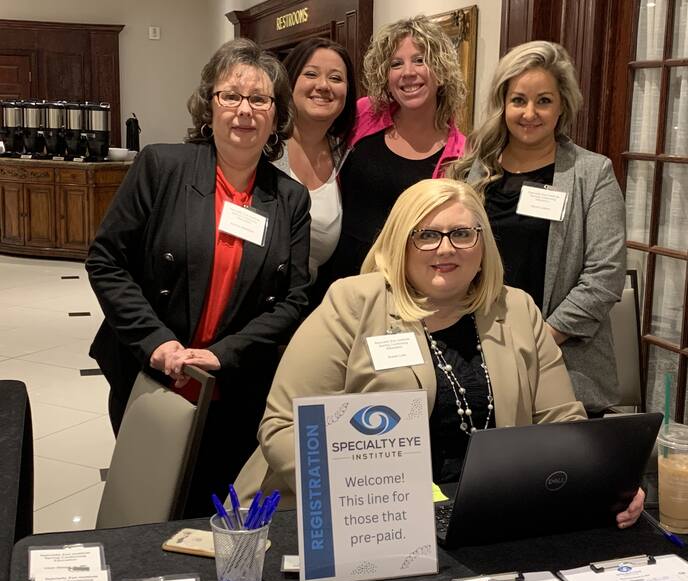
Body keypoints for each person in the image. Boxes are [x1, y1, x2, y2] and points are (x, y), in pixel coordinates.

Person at [234, 178, 644, 528]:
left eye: (462, 234)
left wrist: (602, 479)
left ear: (482, 245)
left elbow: (561, 422)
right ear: (401, 243)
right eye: (427, 235)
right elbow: (284, 427)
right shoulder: (352, 303)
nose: (446, 248)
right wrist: (368, 495)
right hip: (357, 519)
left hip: (484, 514)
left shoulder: (517, 309)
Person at [86, 38, 311, 517]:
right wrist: (156, 342)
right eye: (231, 95)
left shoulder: (290, 198)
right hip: (150, 374)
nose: (244, 110)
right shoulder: (162, 166)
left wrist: (223, 354)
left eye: (260, 99)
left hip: (233, 387)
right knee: (146, 507)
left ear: (276, 115)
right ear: (209, 106)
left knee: (213, 510)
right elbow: (107, 260)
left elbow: (295, 300)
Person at [449, 41, 626, 416]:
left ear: (562, 105)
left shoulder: (592, 173)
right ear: (503, 104)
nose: (530, 113)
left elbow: (605, 275)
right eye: (519, 100)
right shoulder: (471, 170)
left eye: (543, 101)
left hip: (564, 358)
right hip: (479, 351)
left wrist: (541, 340)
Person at [322, 15, 468, 286]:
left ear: (441, 70)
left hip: (404, 283)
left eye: (420, 60)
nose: (407, 72)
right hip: (339, 275)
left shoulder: (460, 154)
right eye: (396, 64)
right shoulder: (363, 114)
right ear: (386, 76)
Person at [274, 38, 356, 305]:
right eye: (311, 74)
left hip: (308, 305)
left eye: (336, 78)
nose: (323, 85)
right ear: (289, 82)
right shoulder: (263, 147)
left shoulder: (346, 156)